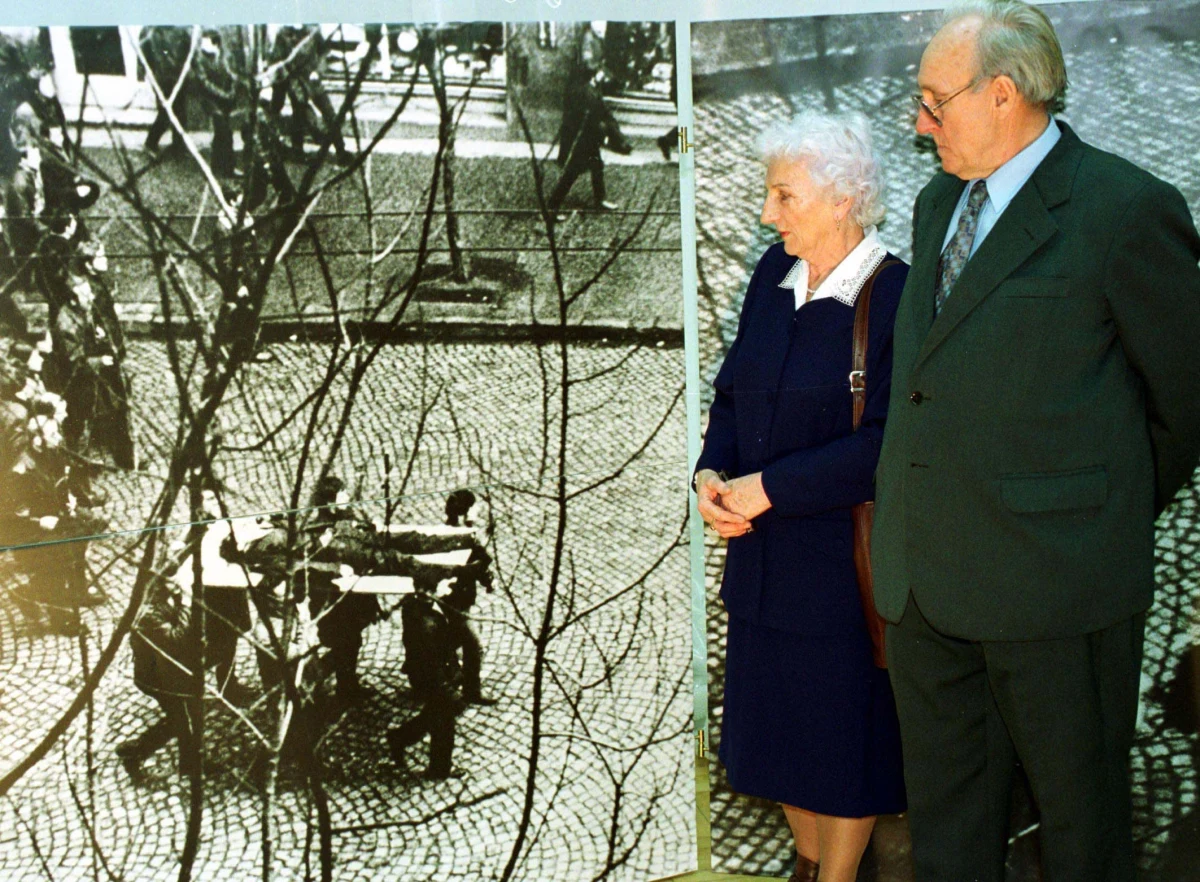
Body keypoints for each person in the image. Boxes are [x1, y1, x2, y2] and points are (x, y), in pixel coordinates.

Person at [869, 3, 1200, 880]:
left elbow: (1184, 404)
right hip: (929, 593)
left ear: (1004, 93)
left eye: (935, 102)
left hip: (1059, 594)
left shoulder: (1127, 211)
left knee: (1080, 835)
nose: (919, 122)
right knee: (949, 837)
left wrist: (1086, 516)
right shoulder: (939, 202)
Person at [694, 111, 907, 882]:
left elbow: (886, 445)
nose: (766, 213)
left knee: (840, 750)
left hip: (839, 579)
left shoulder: (893, 297)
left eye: (784, 195)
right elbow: (731, 398)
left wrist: (769, 489)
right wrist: (711, 475)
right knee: (777, 744)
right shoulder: (768, 277)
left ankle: (838, 878)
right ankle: (809, 866)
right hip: (760, 573)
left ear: (844, 197)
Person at [547, 22, 632, 215]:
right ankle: (552, 206)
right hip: (583, 105)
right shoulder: (587, 38)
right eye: (599, 21)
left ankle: (599, 198)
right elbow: (587, 64)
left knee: (595, 162)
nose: (603, 25)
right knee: (576, 166)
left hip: (588, 101)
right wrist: (598, 72)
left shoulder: (594, 38)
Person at [387, 572, 463, 780]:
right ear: (429, 591)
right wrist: (448, 689)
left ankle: (398, 738)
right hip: (433, 678)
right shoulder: (427, 624)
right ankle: (440, 769)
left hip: (428, 674)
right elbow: (433, 662)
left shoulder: (414, 607)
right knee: (444, 722)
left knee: (432, 715)